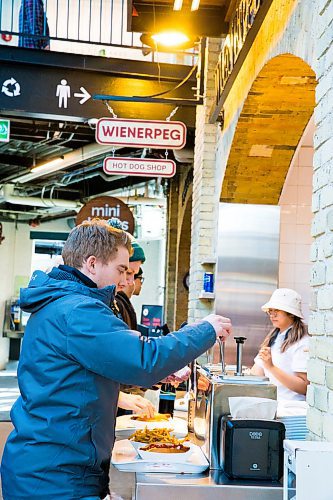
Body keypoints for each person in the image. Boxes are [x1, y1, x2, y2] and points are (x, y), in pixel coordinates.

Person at [1, 219, 232, 499]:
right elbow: (144, 359)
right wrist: (205, 330)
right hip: (56, 475)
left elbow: (88, 370)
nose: (126, 281)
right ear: (93, 263)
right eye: (121, 270)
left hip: (53, 465)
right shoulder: (78, 310)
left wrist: (160, 373)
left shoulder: (65, 303)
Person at [251, 288, 310, 401]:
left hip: (292, 409)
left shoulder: (302, 342)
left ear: (292, 314)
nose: (272, 315)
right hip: (272, 403)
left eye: (277, 310)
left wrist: (271, 367)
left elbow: (304, 387)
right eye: (270, 310)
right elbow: (257, 372)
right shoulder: (274, 336)